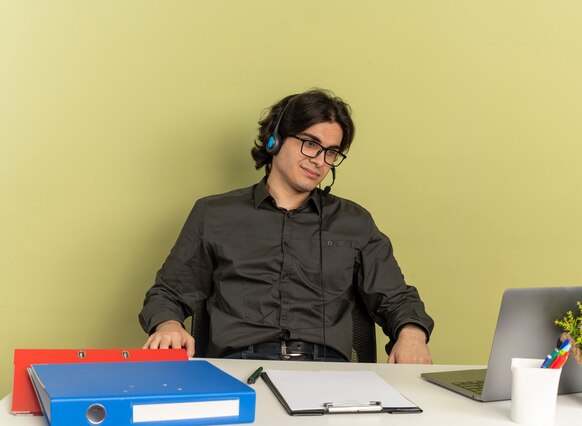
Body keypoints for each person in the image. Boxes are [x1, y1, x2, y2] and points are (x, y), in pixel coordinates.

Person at [139, 89, 434, 363]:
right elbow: (168, 293)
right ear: (275, 139)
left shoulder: (353, 221)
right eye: (310, 144)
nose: (319, 161)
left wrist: (412, 334)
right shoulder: (213, 213)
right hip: (239, 366)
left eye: (331, 152)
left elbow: (396, 297)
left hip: (328, 372)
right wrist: (168, 325)